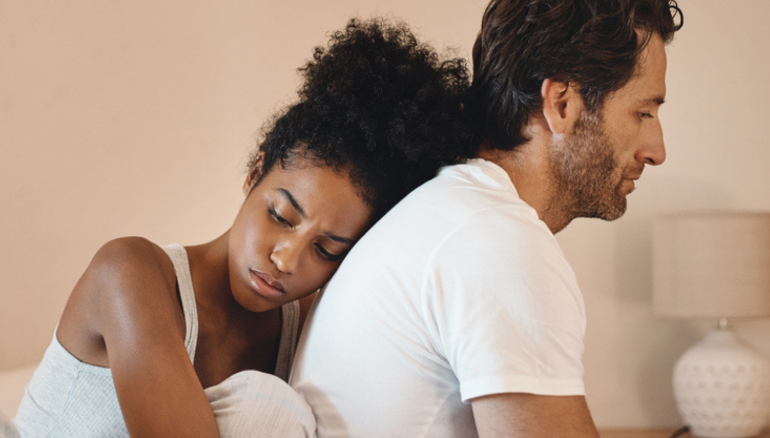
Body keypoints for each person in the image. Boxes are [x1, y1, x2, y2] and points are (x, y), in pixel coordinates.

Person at [11, 19, 473, 438]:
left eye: (327, 250)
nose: (287, 260)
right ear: (254, 175)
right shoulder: (130, 272)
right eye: (281, 216)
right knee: (268, 407)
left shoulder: (314, 330)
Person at [289, 1, 684, 437]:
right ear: (562, 103)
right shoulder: (499, 241)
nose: (656, 150)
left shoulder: (453, 211)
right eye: (643, 112)